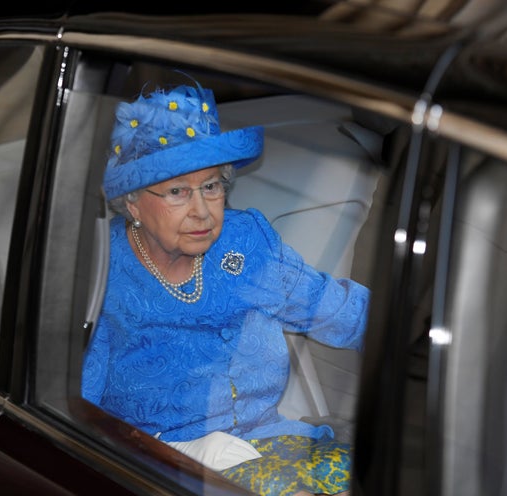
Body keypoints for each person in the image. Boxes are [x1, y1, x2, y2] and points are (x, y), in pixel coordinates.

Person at [81, 81, 369, 496]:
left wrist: (414, 340)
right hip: (160, 461)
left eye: (212, 186)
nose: (201, 211)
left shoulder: (245, 241)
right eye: (178, 191)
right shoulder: (102, 267)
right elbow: (76, 406)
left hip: (271, 439)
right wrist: (156, 453)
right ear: (133, 202)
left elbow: (329, 306)